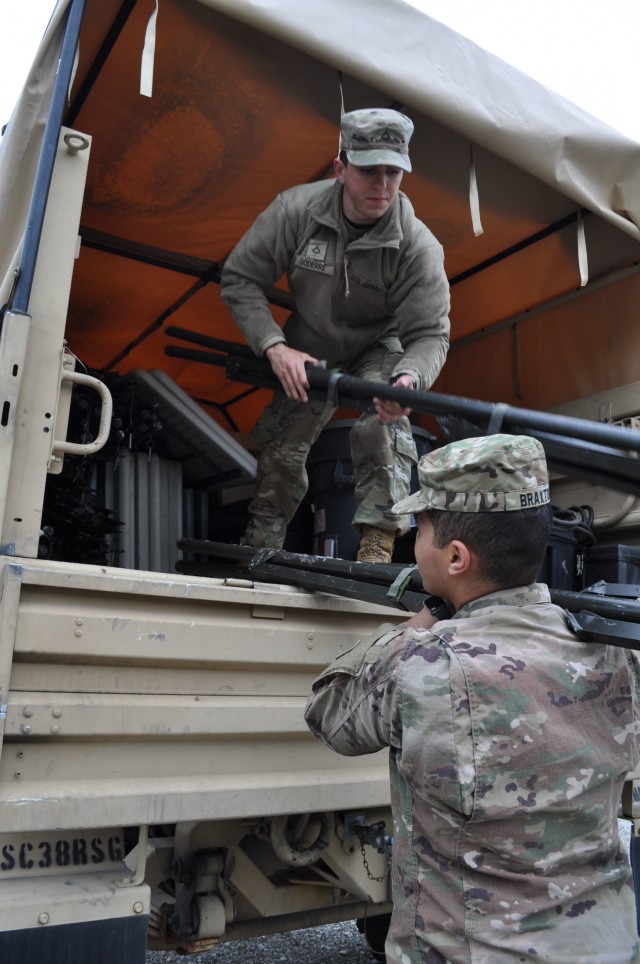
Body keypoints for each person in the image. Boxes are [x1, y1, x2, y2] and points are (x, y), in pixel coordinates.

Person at [305, 434, 640, 963]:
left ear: (456, 557)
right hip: (602, 947)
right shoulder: (617, 652)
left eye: (421, 531)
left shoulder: (424, 664)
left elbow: (329, 713)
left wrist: (421, 619)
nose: (412, 544)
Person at [220, 107, 450, 563]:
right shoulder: (295, 211)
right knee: (284, 445)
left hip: (379, 346)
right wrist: (274, 347)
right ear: (341, 168)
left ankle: (377, 547)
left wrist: (409, 380)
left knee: (382, 421)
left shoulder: (418, 246)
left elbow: (430, 333)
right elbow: (240, 279)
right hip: (307, 344)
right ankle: (260, 546)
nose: (382, 186)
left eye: (393, 172)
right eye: (369, 171)